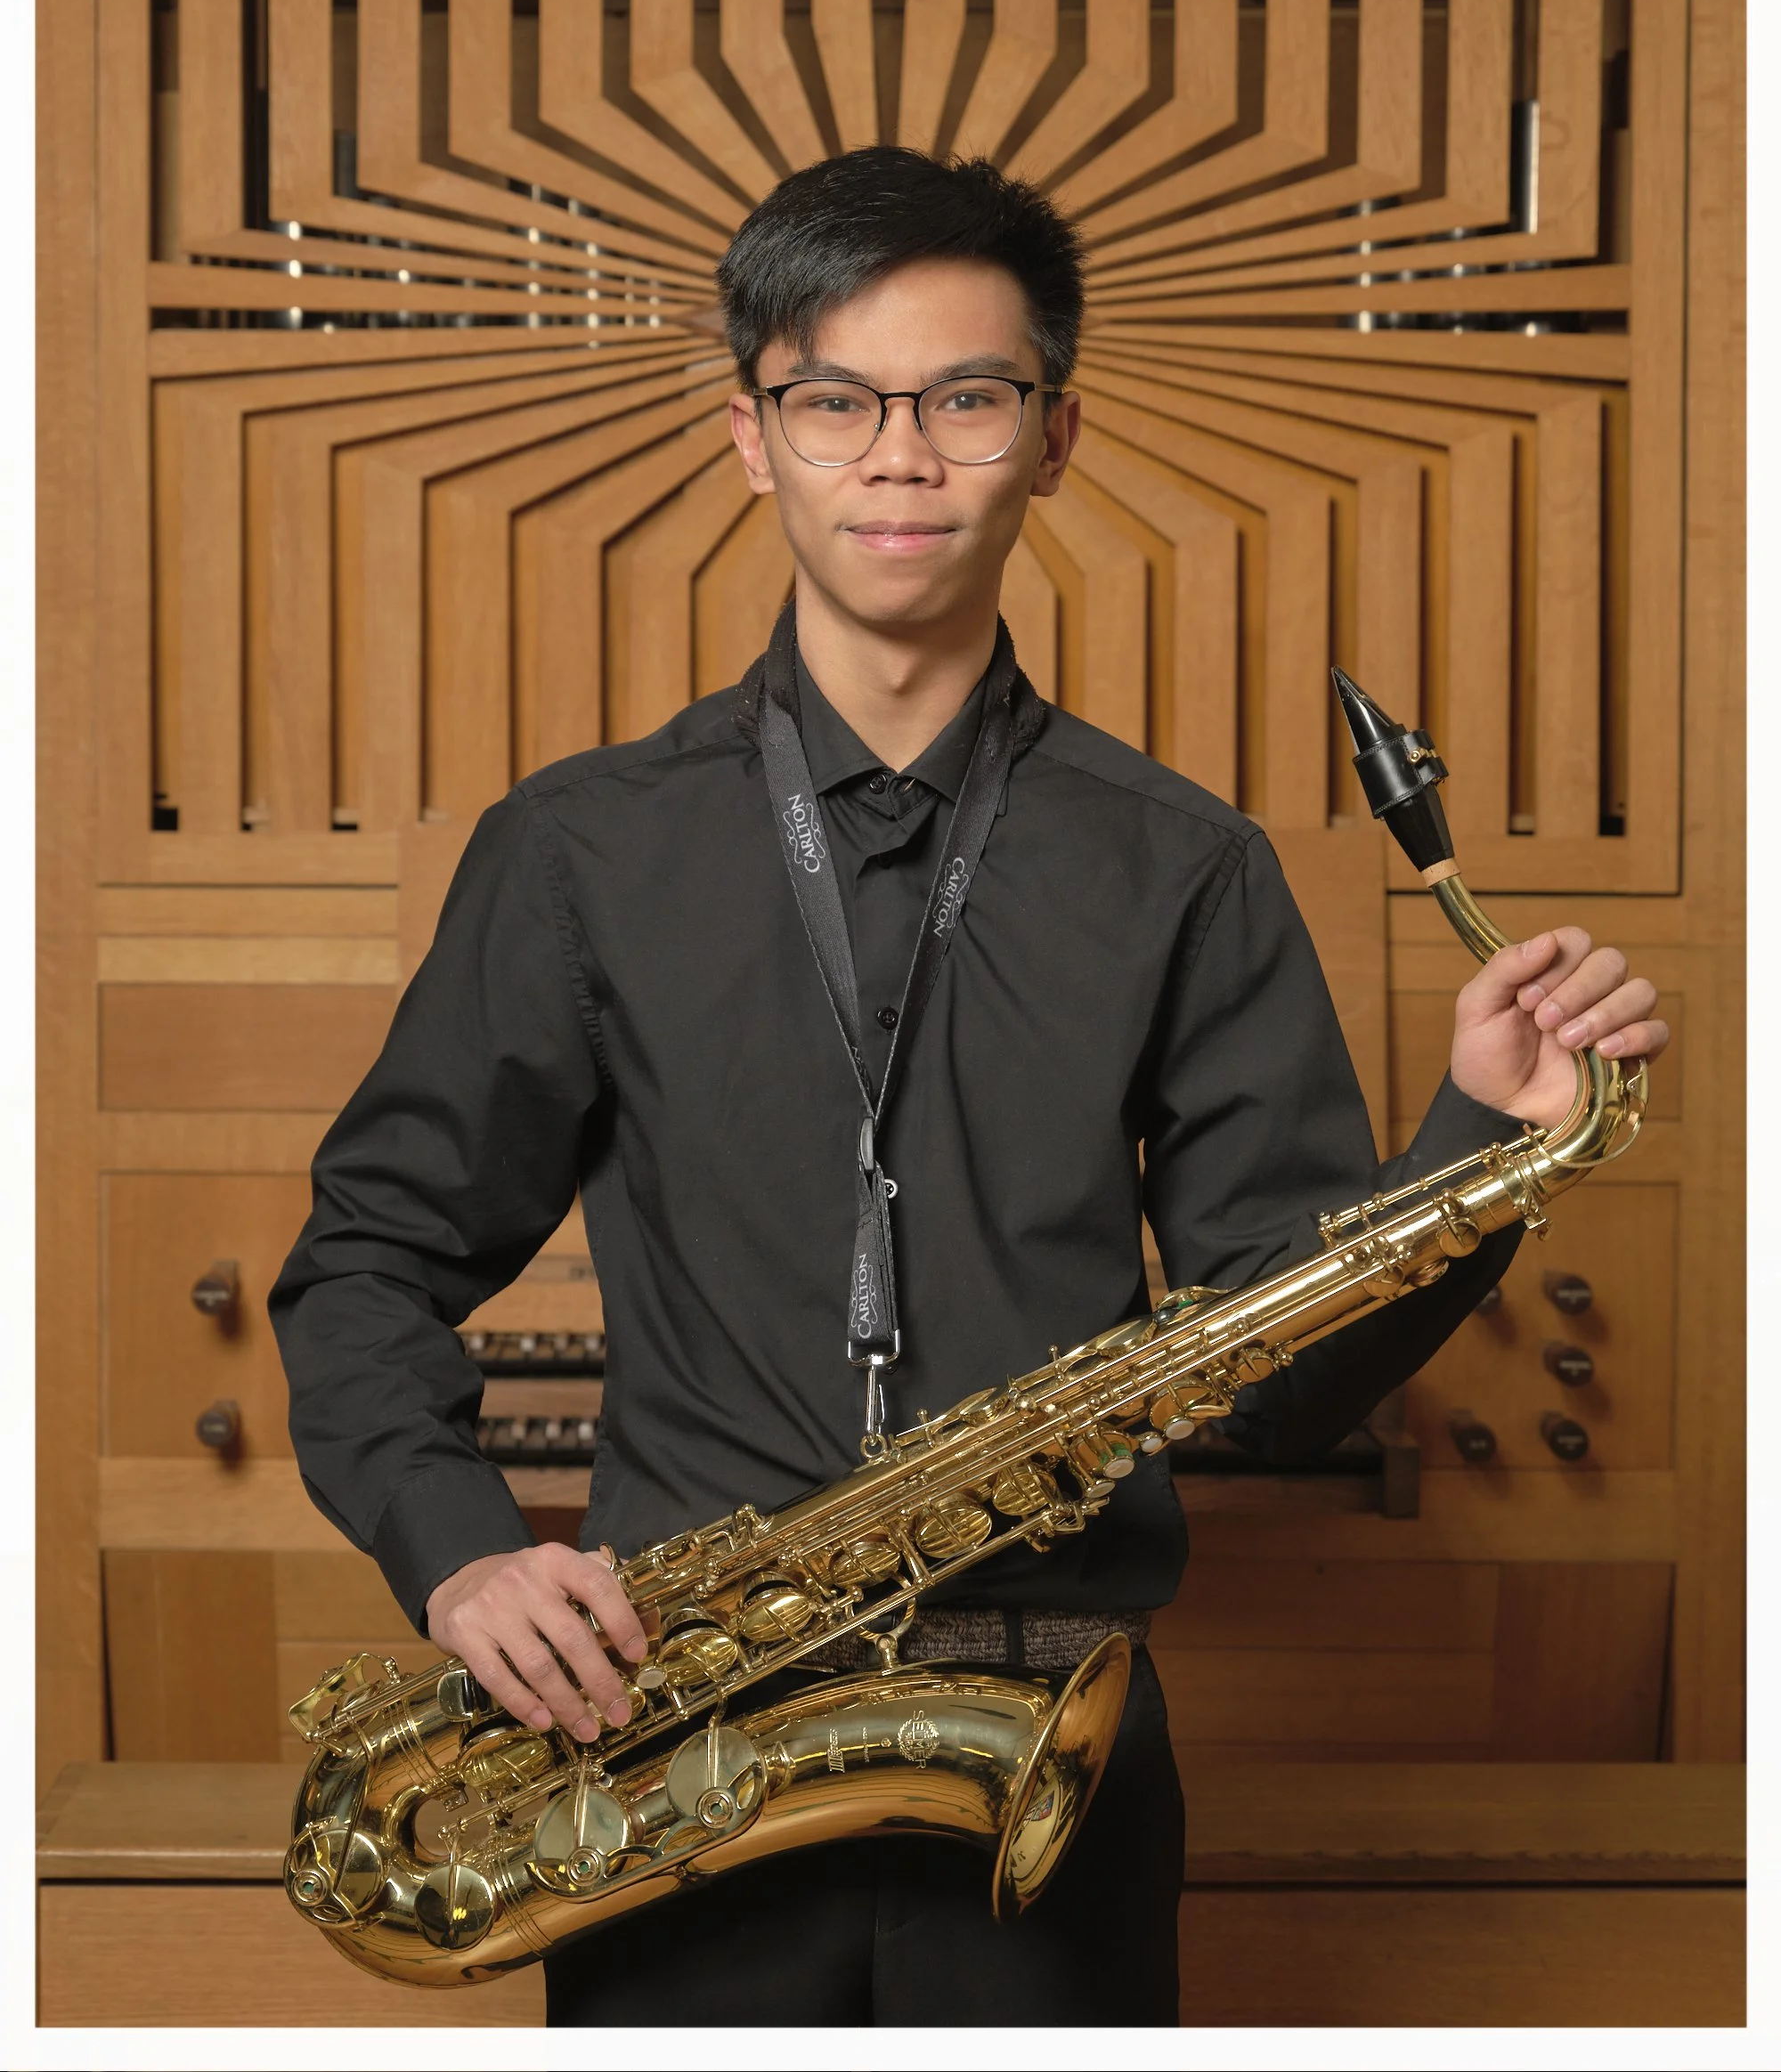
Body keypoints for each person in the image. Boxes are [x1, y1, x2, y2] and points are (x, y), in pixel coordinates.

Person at [269, 147, 1670, 2028]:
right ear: (753, 433)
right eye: (833, 398)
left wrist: (1479, 1145)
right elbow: (366, 1255)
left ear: (1053, 431)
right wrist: (456, 1559)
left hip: (1055, 1736)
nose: (899, 455)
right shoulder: (581, 852)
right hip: (667, 1737)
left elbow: (1275, 1384)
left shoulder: (1183, 863)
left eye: (965, 397)